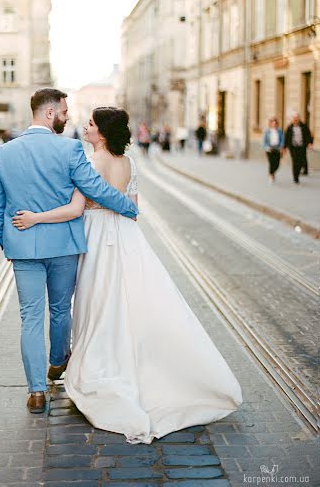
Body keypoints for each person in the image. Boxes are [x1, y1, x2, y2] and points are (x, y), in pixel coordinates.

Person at [12, 106, 242, 443]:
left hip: (96, 237)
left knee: (97, 302)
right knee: (128, 301)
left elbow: (77, 209)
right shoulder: (130, 163)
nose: (85, 127)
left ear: (102, 132)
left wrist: (35, 218)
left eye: (90, 124)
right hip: (125, 236)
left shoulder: (93, 161)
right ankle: (142, 362)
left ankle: (103, 364)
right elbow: (133, 210)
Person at [0, 89, 138, 414]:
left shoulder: (3, 153)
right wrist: (128, 207)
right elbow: (95, 189)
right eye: (65, 112)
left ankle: (37, 392)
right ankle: (57, 362)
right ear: (50, 113)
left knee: (30, 317)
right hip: (64, 246)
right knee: (60, 310)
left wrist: (10, 242)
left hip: (23, 246)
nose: (69, 117)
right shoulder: (70, 149)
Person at [284, 112, 314, 184]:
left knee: (301, 161)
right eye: (294, 118)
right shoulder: (289, 127)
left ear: (299, 119)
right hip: (293, 147)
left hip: (302, 147)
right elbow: (286, 138)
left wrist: (310, 143)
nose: (295, 119)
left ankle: (298, 172)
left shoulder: (303, 126)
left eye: (297, 118)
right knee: (295, 162)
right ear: (292, 119)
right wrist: (284, 147)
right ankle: (295, 177)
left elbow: (308, 135)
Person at [262, 117, 284, 183]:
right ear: (270, 124)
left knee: (277, 164)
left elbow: (282, 140)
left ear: (277, 124)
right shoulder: (267, 131)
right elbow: (264, 141)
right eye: (272, 123)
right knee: (271, 163)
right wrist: (266, 147)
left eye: (275, 123)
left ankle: (272, 173)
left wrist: (281, 147)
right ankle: (271, 175)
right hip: (270, 149)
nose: (274, 125)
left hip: (277, 149)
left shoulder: (280, 131)